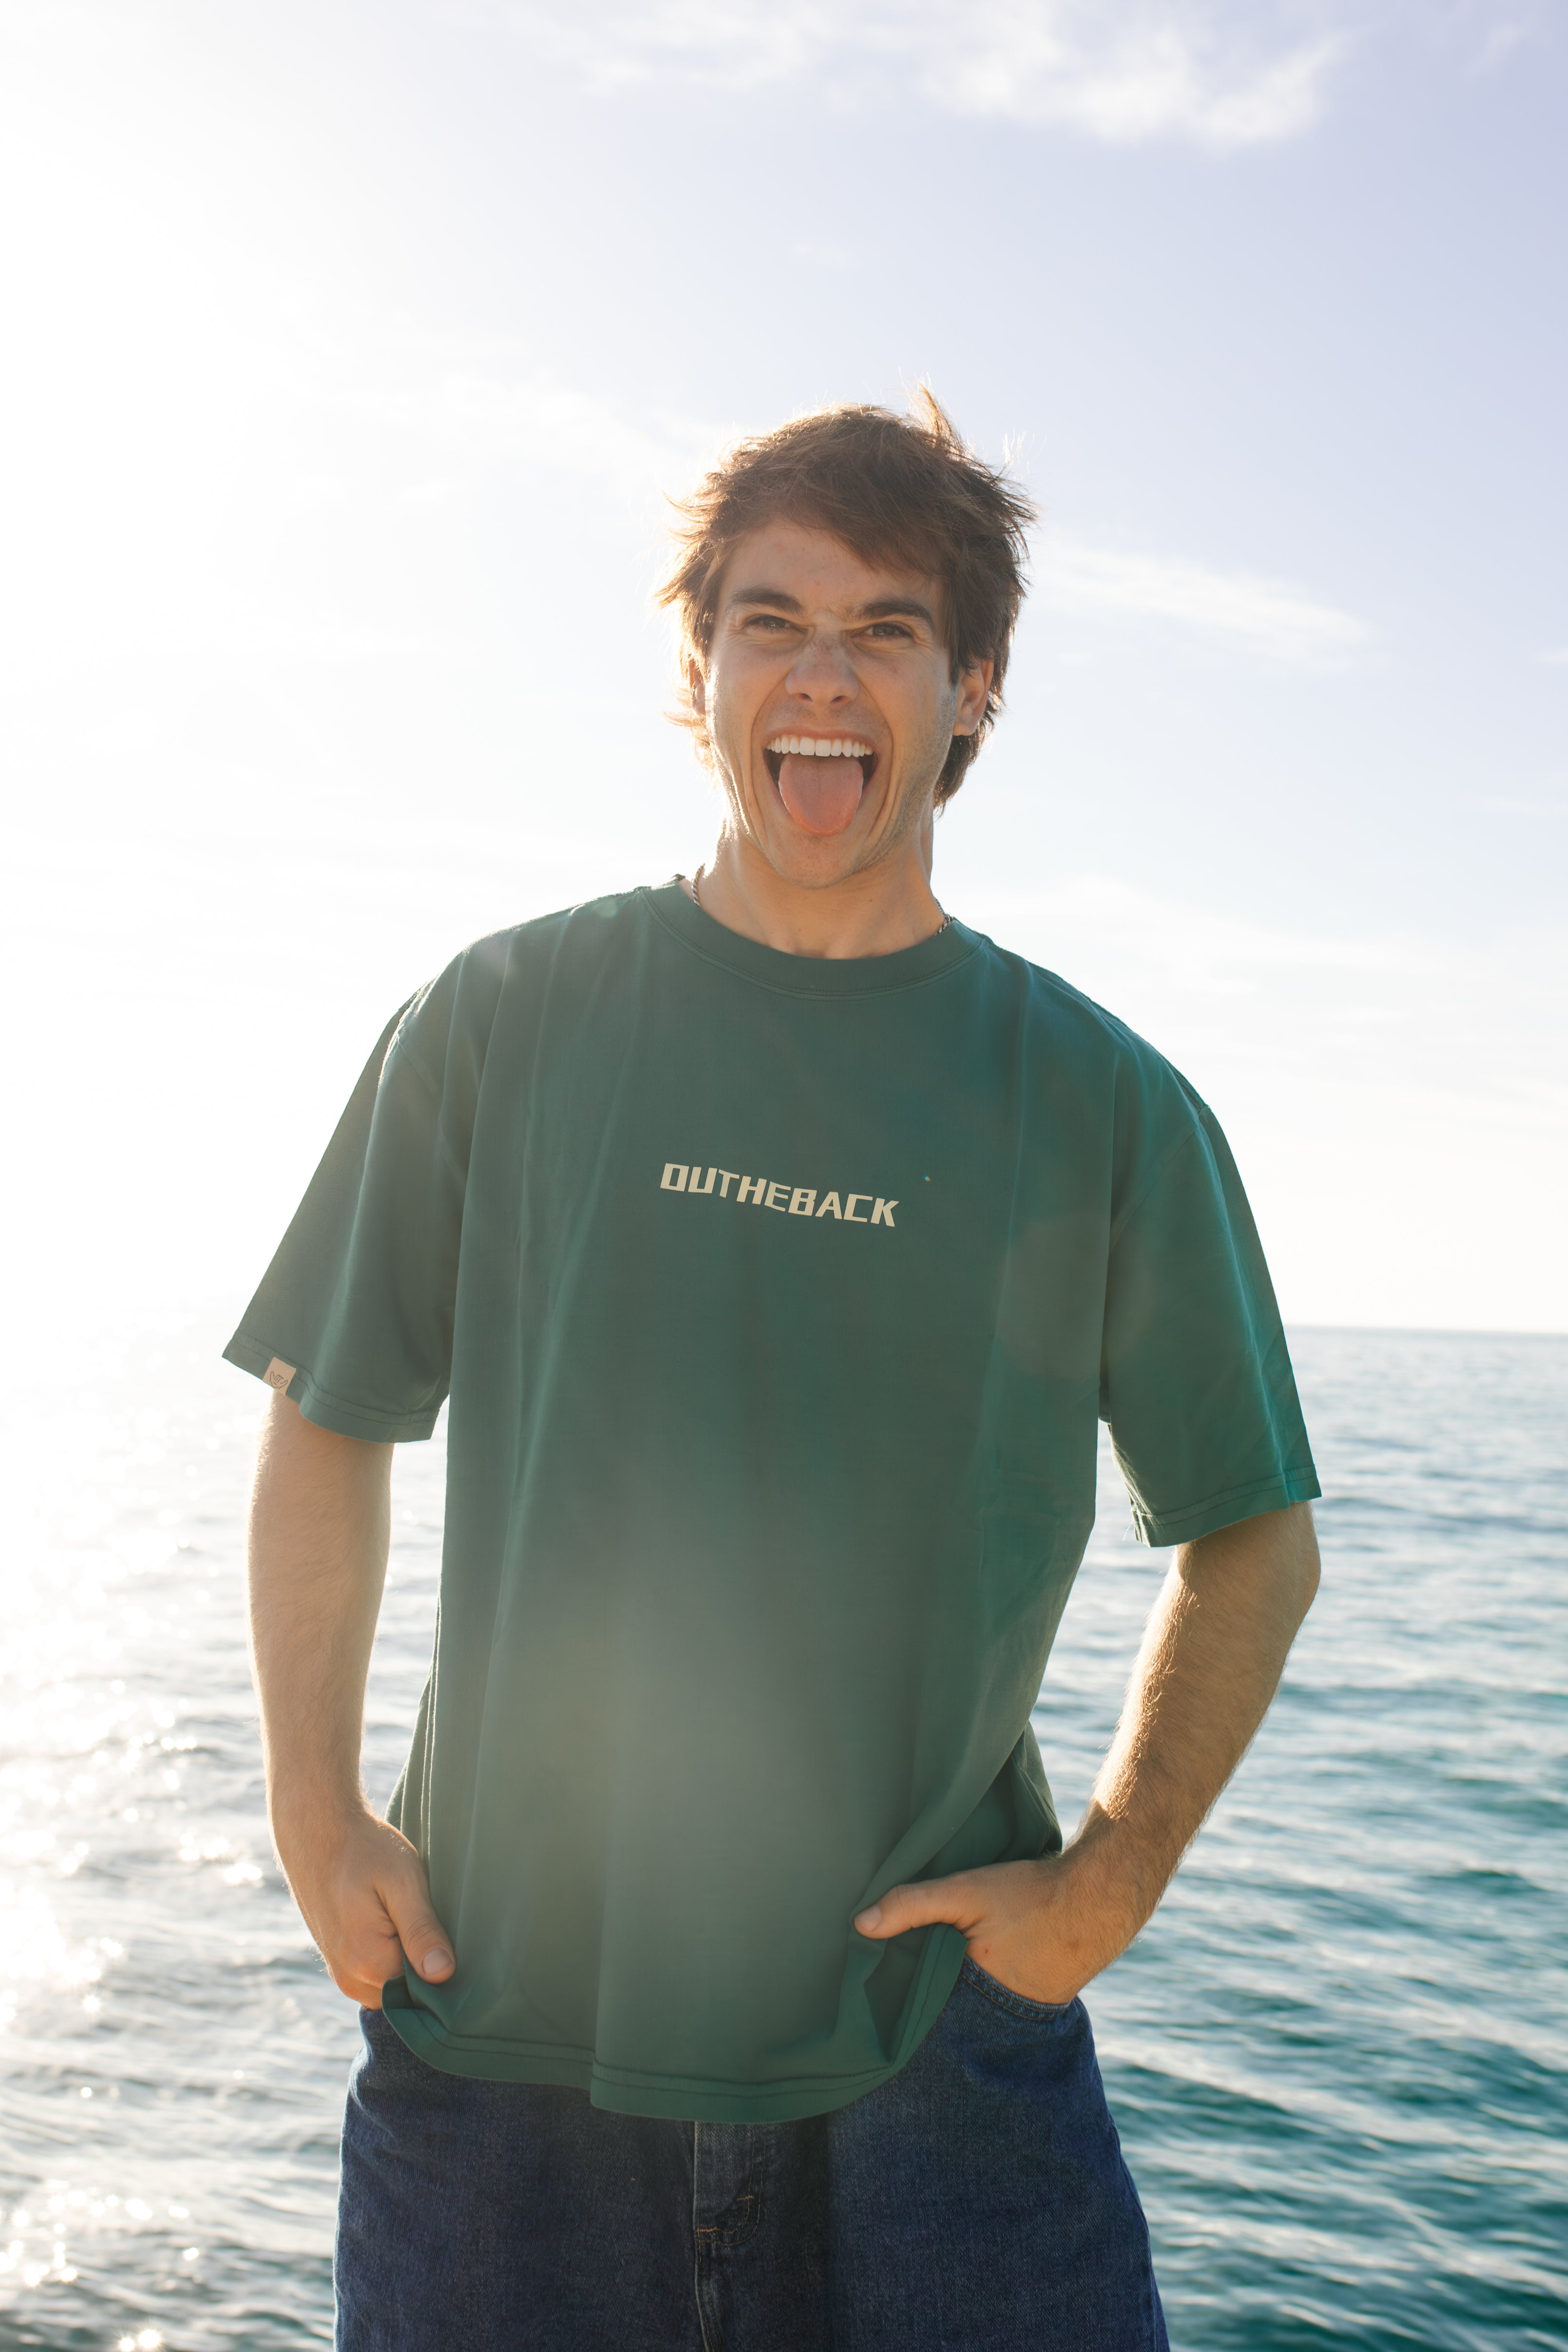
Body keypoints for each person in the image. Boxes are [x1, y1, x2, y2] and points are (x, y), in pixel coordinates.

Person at [231, 392, 1321, 2351]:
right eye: (771, 621)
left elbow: (1253, 1534)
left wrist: (1106, 1878)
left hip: (933, 2062)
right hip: (504, 2046)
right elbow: (328, 1413)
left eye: (887, 631)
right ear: (699, 665)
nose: (822, 683)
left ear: (973, 687)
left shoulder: (1100, 1103)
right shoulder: (498, 1020)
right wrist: (315, 1807)